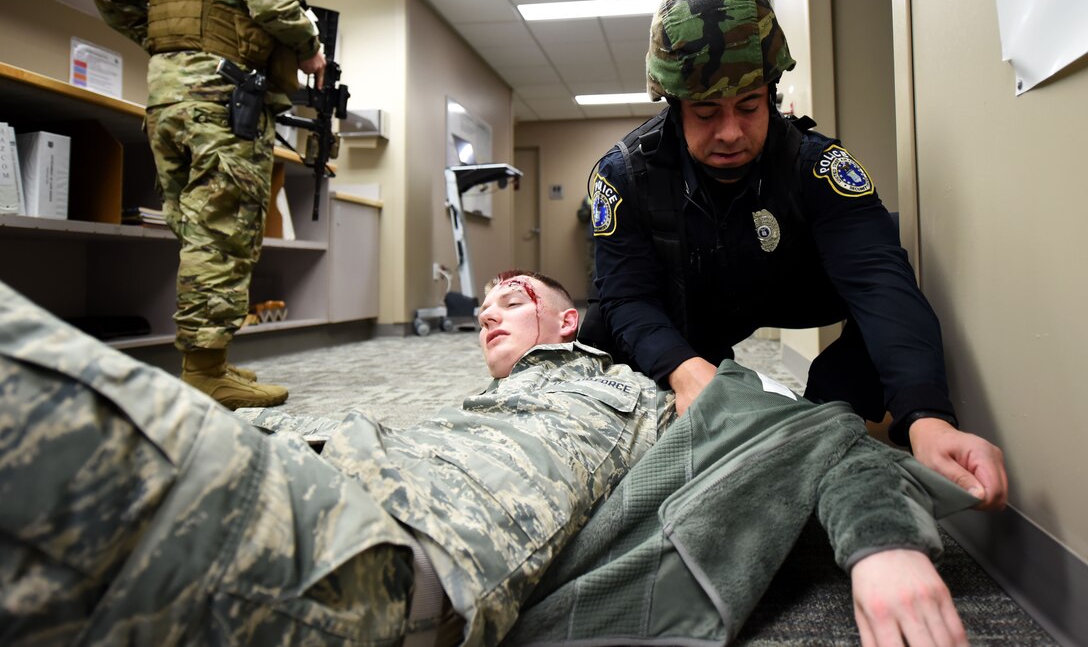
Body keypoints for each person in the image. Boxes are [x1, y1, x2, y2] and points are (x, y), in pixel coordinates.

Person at [1, 271, 977, 646]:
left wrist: (883, 545)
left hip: (365, 552)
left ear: (569, 320)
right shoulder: (473, 402)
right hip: (298, 474)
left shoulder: (640, 390)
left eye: (515, 297)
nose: (488, 312)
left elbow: (815, 438)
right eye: (485, 308)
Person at [581, 0, 1008, 511]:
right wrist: (686, 372)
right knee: (604, 336)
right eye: (707, 114)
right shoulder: (625, 175)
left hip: (785, 284)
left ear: (772, 93)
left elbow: (880, 283)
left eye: (749, 106)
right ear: (674, 104)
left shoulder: (817, 164)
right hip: (685, 302)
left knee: (895, 250)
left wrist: (927, 415)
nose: (730, 133)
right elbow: (627, 296)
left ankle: (829, 412)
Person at [83, 0, 327, 409]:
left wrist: (166, 44)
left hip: (167, 106)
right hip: (222, 105)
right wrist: (308, 49)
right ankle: (205, 372)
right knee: (221, 236)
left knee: (197, 233)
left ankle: (209, 363)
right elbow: (273, 4)